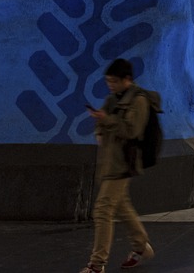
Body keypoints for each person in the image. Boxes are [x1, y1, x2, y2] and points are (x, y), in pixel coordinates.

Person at [81, 58, 159, 273]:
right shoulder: (112, 99)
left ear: (127, 80)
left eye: (114, 81)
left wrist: (106, 120)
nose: (110, 85)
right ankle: (141, 247)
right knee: (122, 207)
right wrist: (99, 126)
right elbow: (103, 123)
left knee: (103, 210)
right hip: (109, 160)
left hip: (124, 162)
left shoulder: (139, 101)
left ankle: (97, 264)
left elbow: (132, 131)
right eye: (108, 81)